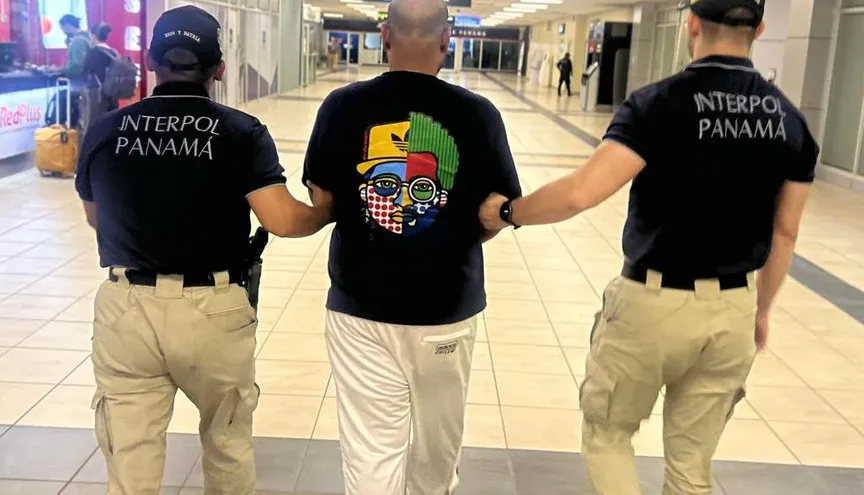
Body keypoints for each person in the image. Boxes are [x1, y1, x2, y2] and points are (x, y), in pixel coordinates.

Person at [480, 0, 819, 493]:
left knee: (608, 433)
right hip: (734, 311)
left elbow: (580, 193)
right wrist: (760, 309)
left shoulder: (659, 104)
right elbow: (786, 232)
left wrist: (508, 212)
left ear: (693, 23)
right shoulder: (790, 121)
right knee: (691, 465)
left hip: (652, 306)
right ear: (759, 29)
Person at [74, 6, 333, 494]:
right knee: (227, 441)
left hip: (127, 309)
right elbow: (280, 220)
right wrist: (326, 209)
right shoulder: (240, 132)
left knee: (129, 455)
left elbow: (95, 218)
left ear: (151, 63)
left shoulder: (106, 131)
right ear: (219, 68)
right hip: (213, 309)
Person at [302, 0, 521, 492]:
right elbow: (498, 210)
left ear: (385, 37)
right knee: (436, 454)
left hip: (359, 309)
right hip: (446, 310)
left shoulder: (341, 107)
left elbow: (324, 198)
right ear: (448, 40)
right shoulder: (478, 114)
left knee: (370, 455)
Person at [83, 22, 120, 112]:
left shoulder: (92, 52)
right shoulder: (114, 52)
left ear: (93, 36)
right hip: (112, 95)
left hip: (97, 95)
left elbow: (86, 72)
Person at [59, 14, 91, 80]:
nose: (63, 32)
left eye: (63, 29)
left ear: (67, 25)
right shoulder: (87, 38)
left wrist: (60, 70)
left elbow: (77, 66)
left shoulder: (78, 41)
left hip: (79, 83)